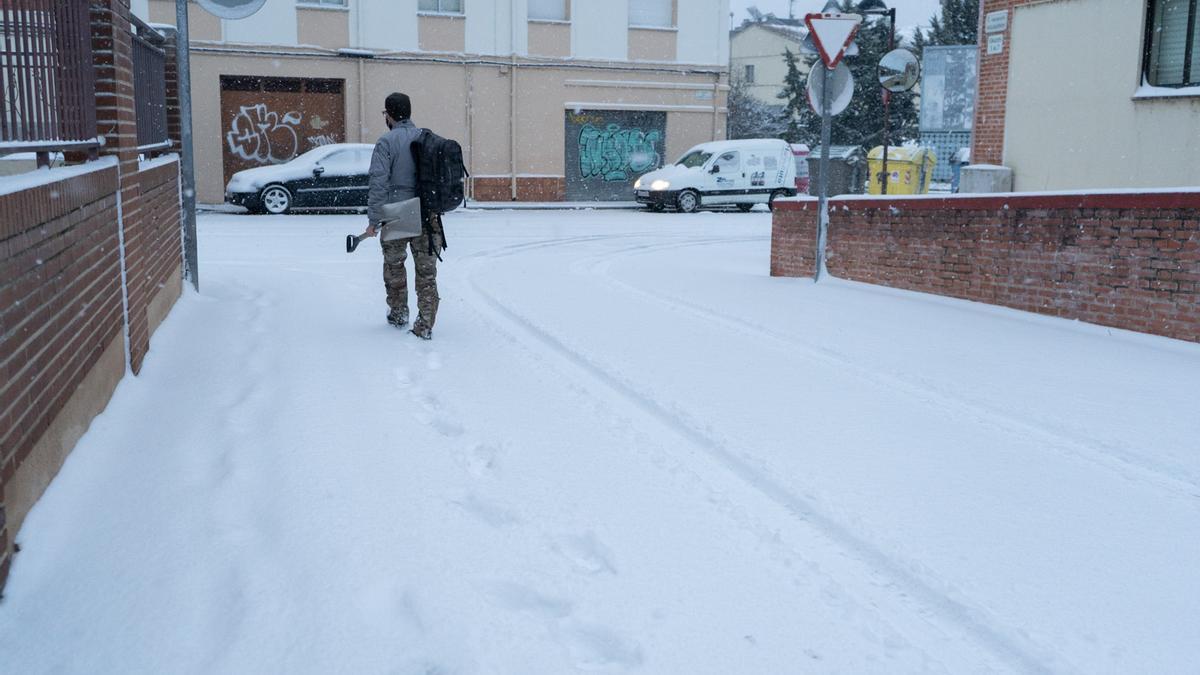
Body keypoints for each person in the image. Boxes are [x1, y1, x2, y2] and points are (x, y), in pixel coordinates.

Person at [366, 92, 441, 340]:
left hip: (398, 212)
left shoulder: (386, 142)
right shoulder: (427, 137)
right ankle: (425, 323)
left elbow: (378, 184)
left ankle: (398, 313)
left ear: (389, 114)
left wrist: (374, 220)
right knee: (426, 273)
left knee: (395, 266)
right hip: (427, 213)